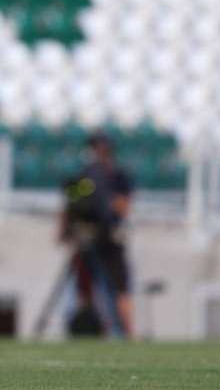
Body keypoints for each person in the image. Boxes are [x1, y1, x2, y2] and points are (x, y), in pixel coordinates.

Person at [58, 132, 135, 338]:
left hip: (110, 240)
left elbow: (124, 207)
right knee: (84, 288)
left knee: (119, 288)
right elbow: (72, 202)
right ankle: (89, 329)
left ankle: (127, 333)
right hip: (87, 238)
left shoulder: (117, 176)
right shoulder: (84, 178)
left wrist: (106, 200)